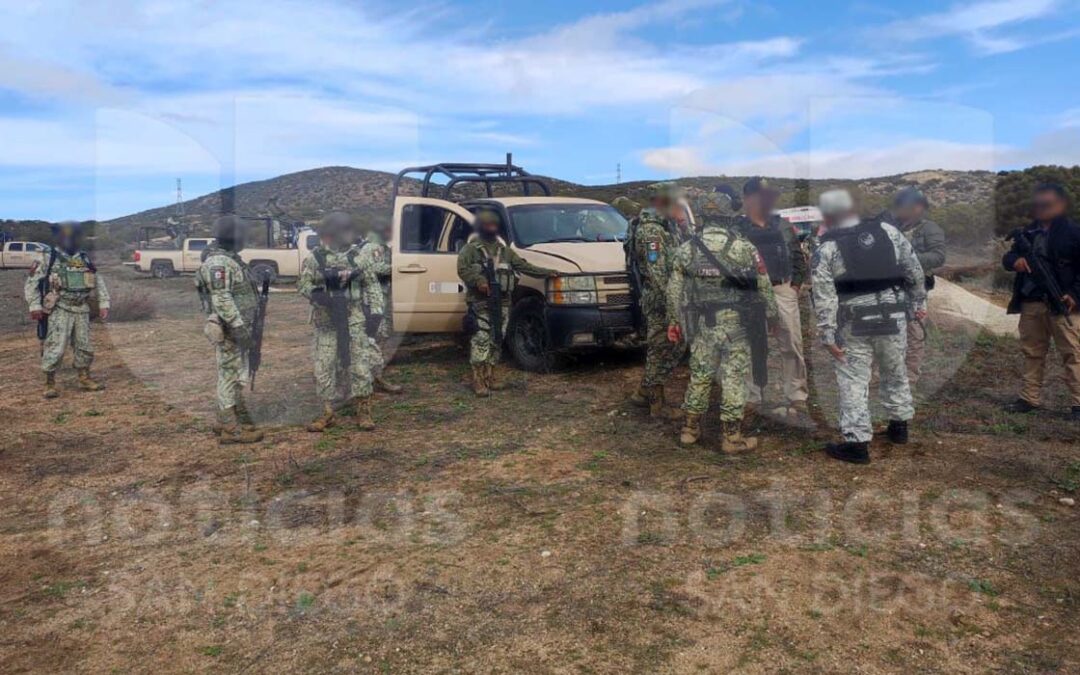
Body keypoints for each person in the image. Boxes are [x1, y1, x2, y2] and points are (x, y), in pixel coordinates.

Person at [812, 190, 926, 464]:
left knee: (853, 380)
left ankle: (857, 444)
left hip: (854, 320)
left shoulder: (827, 247)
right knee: (895, 370)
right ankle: (899, 427)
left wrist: (828, 334)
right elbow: (914, 269)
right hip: (893, 315)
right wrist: (918, 303)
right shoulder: (888, 231)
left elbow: (824, 295)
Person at [666, 191, 777, 451]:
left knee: (700, 375)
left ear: (703, 217)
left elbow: (673, 291)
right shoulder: (744, 248)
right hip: (737, 324)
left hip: (704, 323)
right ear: (728, 217)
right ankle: (731, 437)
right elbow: (764, 286)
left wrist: (673, 321)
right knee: (734, 377)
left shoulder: (687, 249)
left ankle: (689, 430)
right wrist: (772, 316)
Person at [298, 212, 385, 432]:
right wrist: (317, 295)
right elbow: (303, 284)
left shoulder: (359, 258)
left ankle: (363, 410)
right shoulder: (315, 258)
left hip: (353, 318)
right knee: (324, 366)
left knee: (360, 365)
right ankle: (327, 412)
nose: (350, 235)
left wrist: (376, 313)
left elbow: (372, 285)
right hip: (326, 321)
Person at [457, 209, 558, 396]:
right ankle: (478, 380)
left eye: (494, 225)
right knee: (481, 339)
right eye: (487, 225)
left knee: (497, 338)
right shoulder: (470, 250)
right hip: (480, 303)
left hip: (502, 303)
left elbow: (524, 266)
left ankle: (491, 376)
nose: (491, 228)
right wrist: (479, 281)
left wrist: (547, 272)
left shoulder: (505, 252)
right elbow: (462, 269)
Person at [1001, 183, 1080, 420]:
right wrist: (1015, 261)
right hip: (1032, 302)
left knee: (1073, 354)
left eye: (1047, 204)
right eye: (1037, 204)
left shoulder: (1074, 232)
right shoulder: (1028, 232)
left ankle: (1078, 404)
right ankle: (1029, 398)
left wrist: (1075, 294)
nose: (1041, 208)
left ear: (1061, 204)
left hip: (1064, 304)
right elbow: (1009, 256)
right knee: (1032, 352)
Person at [734, 177, 809, 419]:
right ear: (747, 199)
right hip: (750, 294)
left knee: (791, 344)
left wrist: (794, 287)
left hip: (782, 290)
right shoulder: (738, 228)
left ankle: (796, 395)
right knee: (751, 345)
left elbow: (798, 257)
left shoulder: (783, 225)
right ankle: (752, 396)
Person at [195, 215, 264, 444]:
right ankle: (230, 428)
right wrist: (238, 327)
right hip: (230, 329)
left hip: (236, 327)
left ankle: (227, 418)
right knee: (229, 375)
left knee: (233, 373)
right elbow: (222, 298)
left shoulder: (229, 259)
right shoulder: (219, 262)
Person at [25, 221, 110, 398]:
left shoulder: (83, 258)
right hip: (60, 308)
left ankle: (84, 378)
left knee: (84, 345)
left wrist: (103, 303)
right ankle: (49, 383)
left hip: (81, 308)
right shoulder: (48, 258)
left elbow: (97, 280)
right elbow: (32, 283)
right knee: (55, 346)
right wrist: (35, 306)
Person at [627, 182, 688, 418]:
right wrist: (674, 306)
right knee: (661, 348)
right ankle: (656, 404)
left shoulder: (667, 226)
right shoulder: (651, 231)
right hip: (660, 299)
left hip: (669, 296)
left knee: (671, 346)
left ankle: (644, 392)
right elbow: (657, 274)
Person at [891, 187, 946, 387]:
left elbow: (938, 256)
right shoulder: (893, 227)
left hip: (916, 289)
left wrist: (908, 258)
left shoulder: (929, 228)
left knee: (914, 332)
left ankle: (909, 377)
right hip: (893, 287)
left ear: (918, 207)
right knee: (888, 331)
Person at [355, 217, 402, 394]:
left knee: (381, 335)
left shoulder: (382, 248)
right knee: (374, 336)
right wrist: (396, 267)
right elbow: (373, 268)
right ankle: (372, 375)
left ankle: (374, 373)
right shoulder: (371, 248)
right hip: (372, 298)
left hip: (381, 296)